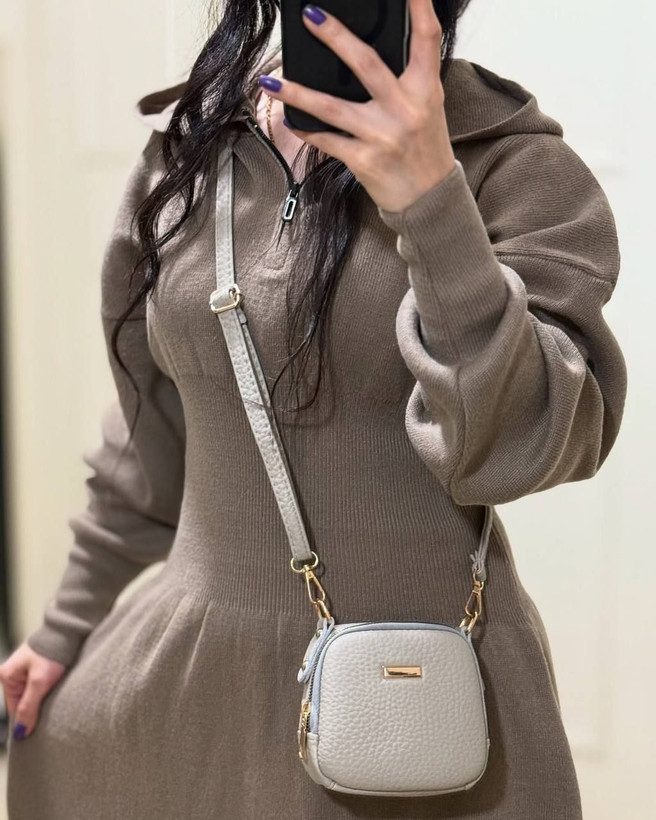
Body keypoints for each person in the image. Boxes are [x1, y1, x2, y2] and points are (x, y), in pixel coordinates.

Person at [1, 1, 627, 817]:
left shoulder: (514, 164)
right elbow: (151, 434)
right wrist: (66, 626)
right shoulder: (189, 158)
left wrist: (431, 200)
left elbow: (520, 445)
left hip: (421, 702)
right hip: (195, 694)